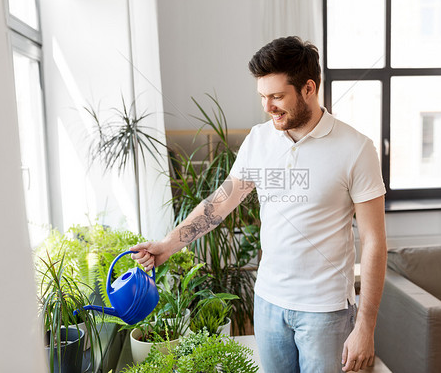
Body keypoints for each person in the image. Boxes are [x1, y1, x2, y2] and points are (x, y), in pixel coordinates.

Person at [130, 36, 387, 373]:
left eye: (277, 96)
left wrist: (366, 326)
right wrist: (168, 245)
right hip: (268, 304)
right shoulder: (259, 139)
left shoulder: (356, 148)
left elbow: (374, 241)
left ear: (309, 88)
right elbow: (219, 204)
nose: (268, 107)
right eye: (263, 97)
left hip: (326, 311)